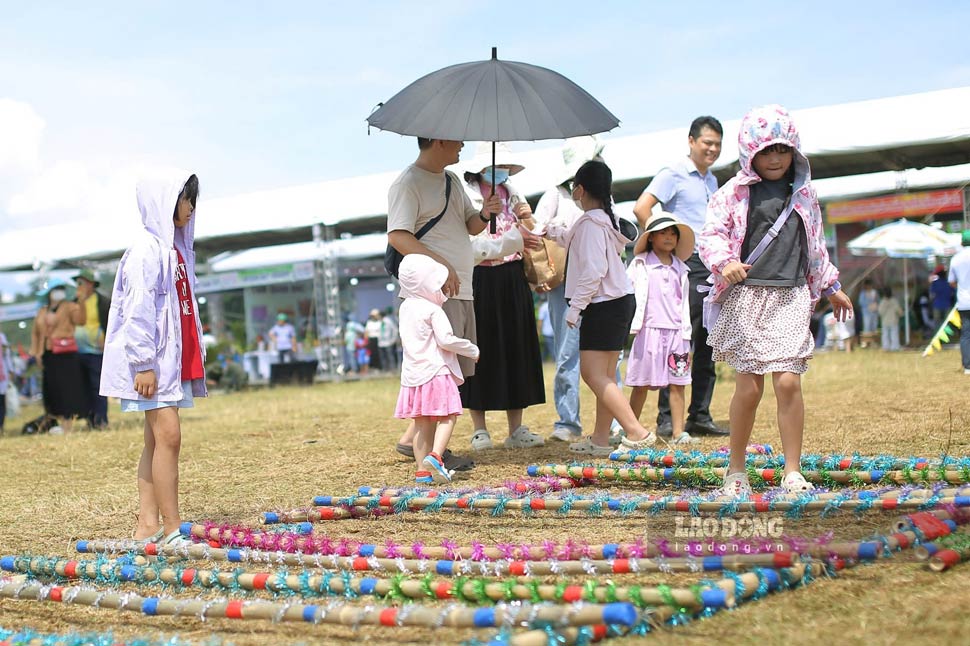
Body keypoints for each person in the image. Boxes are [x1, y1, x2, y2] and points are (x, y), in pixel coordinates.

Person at [698, 105, 852, 498]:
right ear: (750, 151)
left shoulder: (804, 193)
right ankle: (735, 471)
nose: (775, 158)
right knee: (748, 389)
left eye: (782, 150)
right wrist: (725, 261)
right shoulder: (732, 192)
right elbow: (710, 235)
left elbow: (815, 246)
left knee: (787, 384)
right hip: (748, 297)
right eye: (766, 151)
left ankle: (792, 471)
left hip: (791, 296)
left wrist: (831, 285)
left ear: (794, 152)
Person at [100, 170, 206, 546]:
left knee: (156, 441)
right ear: (164, 202)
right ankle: (173, 527)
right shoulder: (147, 251)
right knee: (169, 437)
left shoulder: (173, 249)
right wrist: (143, 363)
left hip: (168, 363)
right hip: (153, 364)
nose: (191, 208)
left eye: (193, 199)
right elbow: (138, 311)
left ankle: (148, 524)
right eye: (184, 199)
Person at [387, 137, 501, 472]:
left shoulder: (450, 179)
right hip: (436, 292)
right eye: (455, 138)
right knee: (443, 372)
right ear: (438, 140)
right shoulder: (408, 183)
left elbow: (469, 224)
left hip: (461, 288)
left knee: (453, 373)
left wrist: (484, 212)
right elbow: (398, 235)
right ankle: (434, 450)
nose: (462, 143)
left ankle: (417, 442)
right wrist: (442, 266)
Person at [540, 160, 658, 454]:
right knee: (604, 375)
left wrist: (575, 307)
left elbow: (593, 270)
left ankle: (636, 432)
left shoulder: (592, 223)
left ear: (579, 190)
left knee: (593, 375)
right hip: (616, 302)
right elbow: (569, 238)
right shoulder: (600, 220)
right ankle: (601, 439)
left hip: (603, 305)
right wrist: (544, 230)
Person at [633, 116, 729, 438]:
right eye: (707, 143)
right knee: (678, 340)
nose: (712, 149)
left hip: (713, 266)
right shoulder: (672, 174)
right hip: (688, 264)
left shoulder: (712, 181)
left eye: (717, 144)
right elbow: (642, 207)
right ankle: (665, 418)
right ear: (691, 141)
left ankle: (699, 413)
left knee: (708, 339)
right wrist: (661, 248)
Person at [460, 143, 545, 451]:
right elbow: (471, 239)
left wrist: (526, 217)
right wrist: (486, 212)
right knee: (478, 348)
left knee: (516, 346)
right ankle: (479, 428)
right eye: (498, 166)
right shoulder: (467, 194)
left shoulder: (514, 193)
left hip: (512, 276)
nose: (502, 172)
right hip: (480, 275)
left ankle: (516, 427)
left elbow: (530, 232)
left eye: (506, 167)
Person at [532, 136, 605, 443]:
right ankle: (568, 420)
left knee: (605, 354)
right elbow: (535, 230)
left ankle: (609, 420)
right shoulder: (555, 195)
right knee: (566, 353)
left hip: (598, 286)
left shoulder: (604, 198)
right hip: (563, 284)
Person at [395, 254, 480, 483]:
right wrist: (471, 349)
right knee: (448, 416)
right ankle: (436, 455)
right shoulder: (434, 310)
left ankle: (422, 472)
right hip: (437, 372)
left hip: (413, 375)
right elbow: (446, 340)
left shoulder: (405, 308)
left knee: (422, 424)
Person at [623, 213, 698, 450]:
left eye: (673, 233)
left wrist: (685, 332)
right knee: (641, 384)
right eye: (663, 232)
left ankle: (678, 432)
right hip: (648, 332)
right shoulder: (640, 264)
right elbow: (626, 290)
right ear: (651, 238)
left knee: (678, 383)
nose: (668, 237)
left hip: (677, 333)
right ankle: (630, 429)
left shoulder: (681, 269)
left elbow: (682, 300)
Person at [30, 278, 88, 434]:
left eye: (61, 288)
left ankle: (68, 424)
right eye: (56, 289)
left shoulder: (69, 307)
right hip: (48, 355)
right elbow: (35, 334)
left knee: (67, 389)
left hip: (66, 355)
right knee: (52, 390)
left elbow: (81, 320)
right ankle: (57, 421)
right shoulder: (42, 311)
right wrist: (36, 352)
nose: (58, 292)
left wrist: (81, 302)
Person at [73, 268, 111, 429]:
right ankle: (90, 420)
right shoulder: (74, 302)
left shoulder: (102, 301)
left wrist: (108, 340)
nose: (78, 286)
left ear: (91, 284)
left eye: (81, 283)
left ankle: (101, 420)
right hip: (77, 351)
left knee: (98, 387)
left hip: (96, 350)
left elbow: (111, 322)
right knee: (82, 387)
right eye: (77, 283)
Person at [948, 230, 970, 374]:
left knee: (966, 334)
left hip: (964, 301)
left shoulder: (956, 259)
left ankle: (968, 366)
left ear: (962, 242)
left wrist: (961, 287)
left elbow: (951, 282)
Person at [929, 266, 955, 330]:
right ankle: (947, 338)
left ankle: (938, 338)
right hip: (947, 305)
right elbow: (952, 294)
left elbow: (932, 295)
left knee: (937, 324)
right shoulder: (949, 283)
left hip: (937, 305)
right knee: (947, 324)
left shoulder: (934, 283)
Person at [878, 286, 903, 351]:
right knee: (894, 335)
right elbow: (898, 310)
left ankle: (886, 346)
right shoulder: (894, 301)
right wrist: (901, 313)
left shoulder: (882, 302)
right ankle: (894, 346)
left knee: (885, 335)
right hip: (893, 321)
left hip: (885, 321)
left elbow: (880, 312)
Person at [857, 279, 879, 346]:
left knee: (874, 327)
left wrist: (875, 305)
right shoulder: (863, 293)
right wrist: (868, 305)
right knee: (867, 327)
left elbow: (878, 301)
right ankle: (865, 342)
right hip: (866, 312)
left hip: (874, 312)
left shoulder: (875, 292)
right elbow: (860, 302)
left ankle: (873, 342)